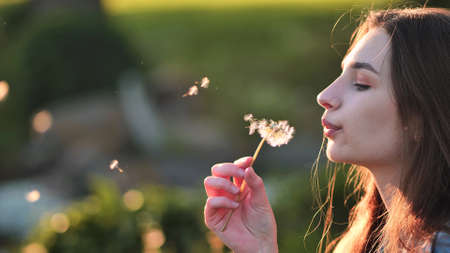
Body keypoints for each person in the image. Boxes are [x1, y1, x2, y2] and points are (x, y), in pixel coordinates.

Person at [203, 7, 450, 253]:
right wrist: (259, 247)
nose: (325, 96)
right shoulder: (372, 240)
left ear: (422, 117)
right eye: (340, 74)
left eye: (361, 84)